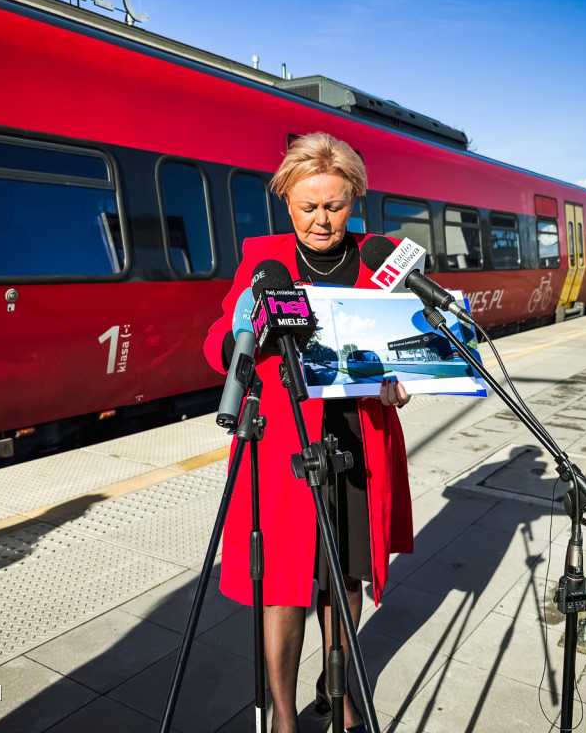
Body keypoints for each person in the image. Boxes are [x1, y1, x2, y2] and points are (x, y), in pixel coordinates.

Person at [202, 132, 414, 733]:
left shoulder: (381, 259)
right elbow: (218, 343)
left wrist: (400, 380)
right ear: (287, 204)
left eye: (335, 205)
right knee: (288, 584)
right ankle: (283, 710)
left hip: (357, 436)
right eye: (307, 207)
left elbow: (405, 339)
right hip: (283, 443)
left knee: (345, 573)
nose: (321, 220)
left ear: (356, 201)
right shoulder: (263, 260)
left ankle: (336, 686)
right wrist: (245, 337)